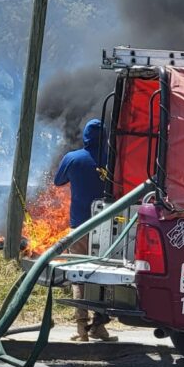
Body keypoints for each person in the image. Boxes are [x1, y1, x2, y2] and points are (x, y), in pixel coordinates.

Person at [54, 118, 117, 343]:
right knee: (104, 275)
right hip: (110, 227)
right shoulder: (116, 159)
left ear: (86, 137)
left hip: (80, 225)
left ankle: (81, 330)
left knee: (79, 276)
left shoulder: (73, 158)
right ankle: (99, 327)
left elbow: (58, 181)